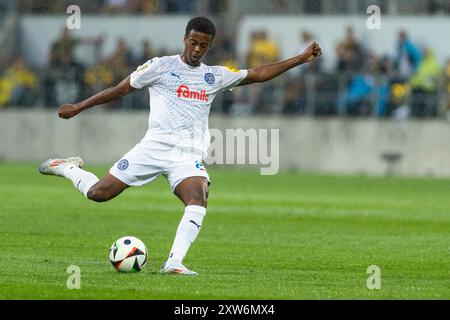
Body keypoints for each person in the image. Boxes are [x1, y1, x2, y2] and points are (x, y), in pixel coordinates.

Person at [39, 16, 322, 275]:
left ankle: (174, 262)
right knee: (98, 193)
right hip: (153, 148)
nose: (197, 49)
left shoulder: (215, 76)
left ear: (209, 46)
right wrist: (79, 106)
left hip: (187, 156)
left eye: (204, 45)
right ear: (185, 38)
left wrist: (301, 58)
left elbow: (257, 73)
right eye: (194, 42)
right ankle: (66, 167)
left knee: (198, 197)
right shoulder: (160, 66)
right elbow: (119, 89)